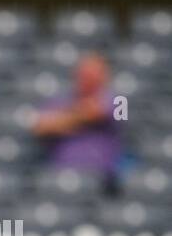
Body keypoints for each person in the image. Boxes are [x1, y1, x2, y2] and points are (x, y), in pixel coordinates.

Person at [32, 52, 121, 190]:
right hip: (61, 177)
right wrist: (79, 118)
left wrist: (64, 121)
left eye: (93, 74)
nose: (89, 79)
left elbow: (98, 112)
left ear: (104, 76)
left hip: (103, 179)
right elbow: (40, 127)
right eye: (85, 74)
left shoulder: (120, 100)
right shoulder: (58, 100)